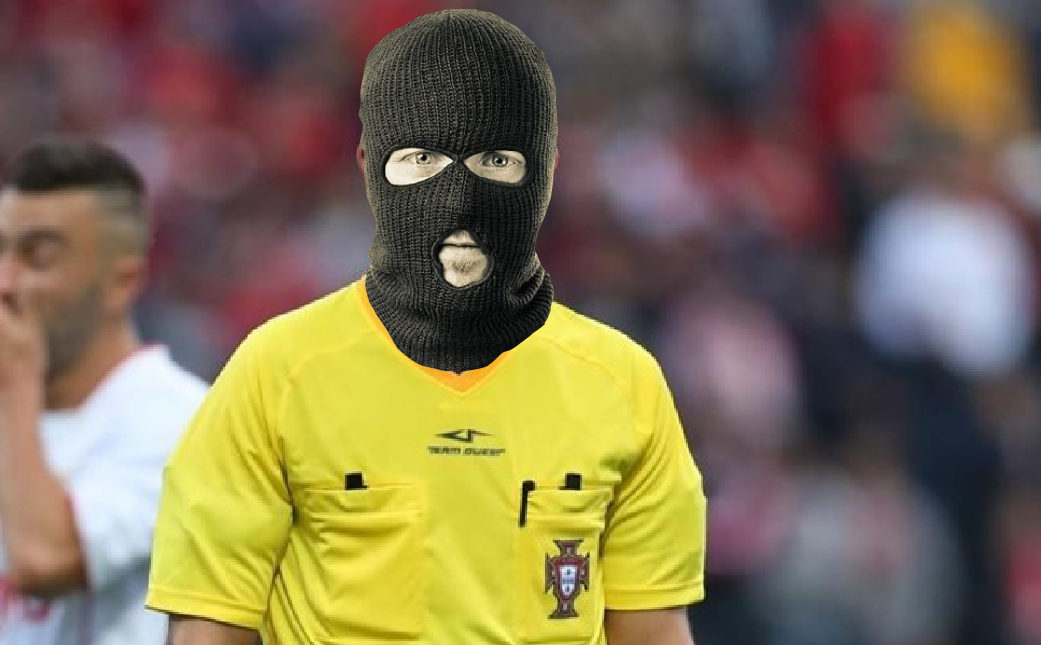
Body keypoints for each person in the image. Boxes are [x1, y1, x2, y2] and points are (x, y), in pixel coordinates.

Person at [147, 9, 707, 645]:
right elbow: (209, 628)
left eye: (496, 160)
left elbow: (654, 631)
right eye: (421, 159)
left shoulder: (622, 385)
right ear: (367, 165)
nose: (458, 198)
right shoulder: (276, 374)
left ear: (548, 170)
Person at [0, 139, 207, 645]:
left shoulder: (180, 422)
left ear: (123, 281)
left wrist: (14, 378)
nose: (6, 282)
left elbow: (45, 561)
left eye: (38, 257)